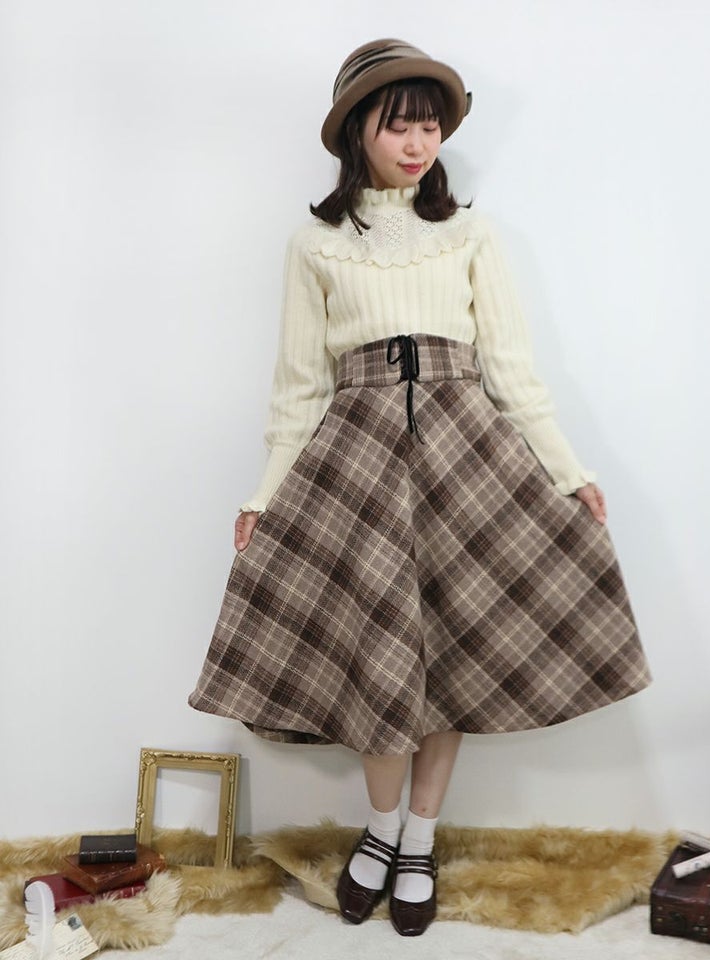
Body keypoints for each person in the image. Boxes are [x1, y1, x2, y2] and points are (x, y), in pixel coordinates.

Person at [189, 38, 650, 937]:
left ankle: (419, 839)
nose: (416, 143)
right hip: (356, 464)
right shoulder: (316, 243)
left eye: (430, 126)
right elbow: (298, 388)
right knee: (379, 650)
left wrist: (570, 471)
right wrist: (262, 496)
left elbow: (511, 369)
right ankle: (380, 828)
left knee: (454, 651)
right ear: (356, 131)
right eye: (398, 125)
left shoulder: (471, 234)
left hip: (465, 455)